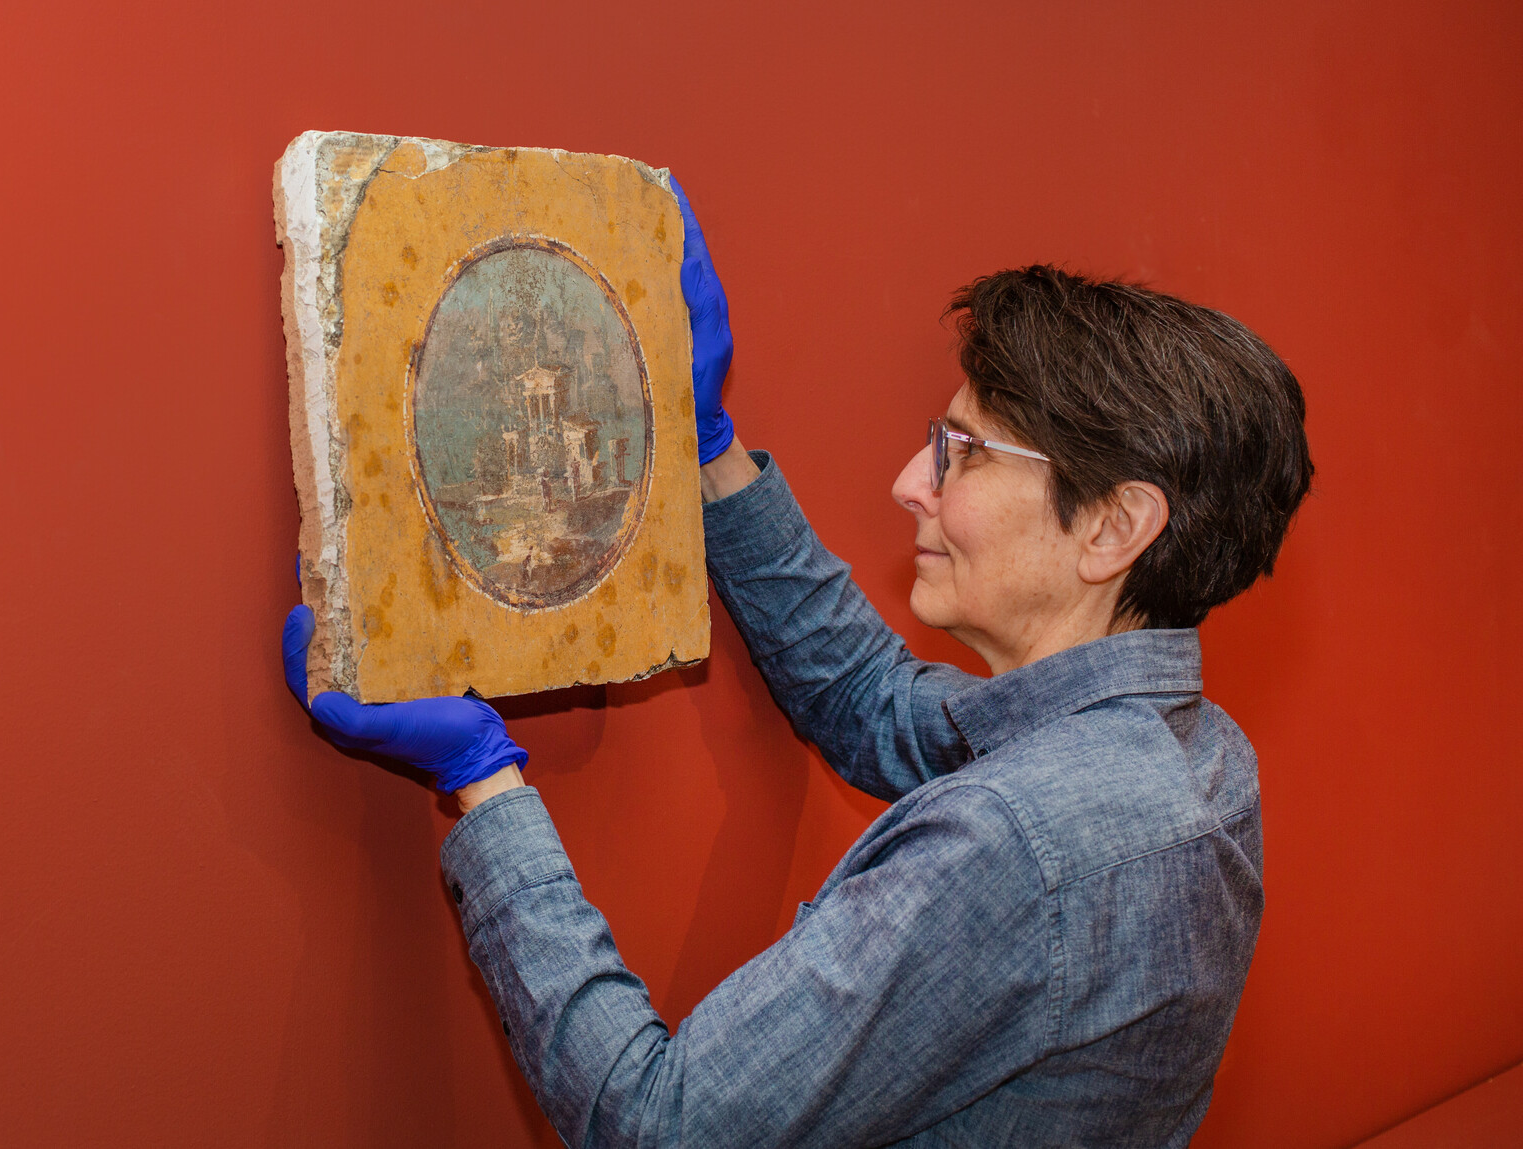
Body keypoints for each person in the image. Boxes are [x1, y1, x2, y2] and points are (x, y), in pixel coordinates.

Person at [278, 180, 1314, 1147]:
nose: (912, 481)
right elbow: (874, 703)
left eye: (964, 452)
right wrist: (710, 448)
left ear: (1113, 526)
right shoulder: (1191, 754)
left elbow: (660, 1122)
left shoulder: (1012, 846)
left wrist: (484, 783)